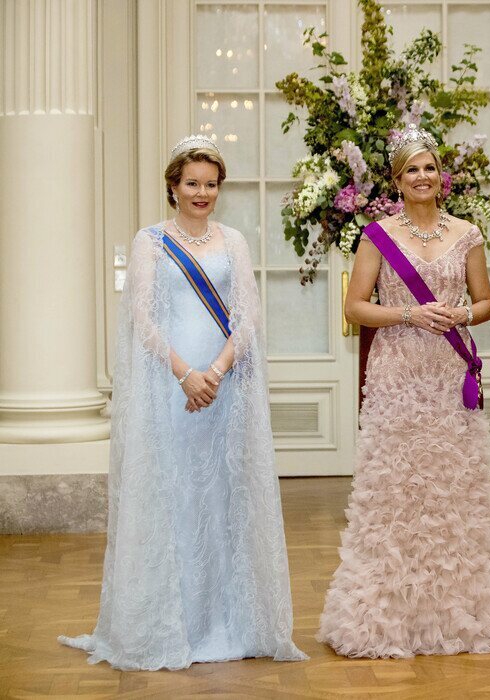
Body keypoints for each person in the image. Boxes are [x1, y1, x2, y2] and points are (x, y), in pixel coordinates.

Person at [59, 135, 307, 670]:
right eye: (192, 183)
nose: (202, 192)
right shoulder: (151, 241)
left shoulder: (233, 240)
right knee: (176, 501)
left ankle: (230, 622)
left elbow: (250, 317)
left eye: (211, 184)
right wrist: (186, 375)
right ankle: (174, 623)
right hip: (171, 393)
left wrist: (215, 373)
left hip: (224, 388)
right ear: (172, 186)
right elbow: (141, 320)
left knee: (222, 499)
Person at [317, 124, 490, 659]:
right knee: (397, 492)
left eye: (430, 167)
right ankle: (388, 614)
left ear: (442, 177)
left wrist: (463, 313)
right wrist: (410, 313)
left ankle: (458, 612)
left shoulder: (467, 234)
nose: (422, 176)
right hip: (397, 376)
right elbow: (355, 306)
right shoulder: (377, 236)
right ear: (397, 179)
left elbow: (487, 303)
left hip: (447, 375)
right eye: (412, 168)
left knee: (451, 493)